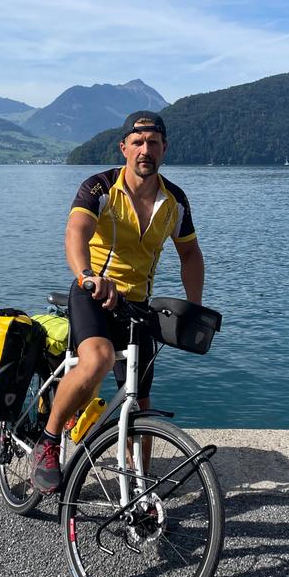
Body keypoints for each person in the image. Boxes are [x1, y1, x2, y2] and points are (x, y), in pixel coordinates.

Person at [31, 110, 205, 493]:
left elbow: (190, 255)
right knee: (98, 358)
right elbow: (76, 231)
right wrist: (87, 275)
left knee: (140, 402)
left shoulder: (175, 201)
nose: (146, 150)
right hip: (93, 293)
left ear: (164, 148)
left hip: (138, 308)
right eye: (138, 142)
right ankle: (48, 439)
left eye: (154, 143)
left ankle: (140, 486)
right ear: (124, 147)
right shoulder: (99, 188)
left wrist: (194, 307)